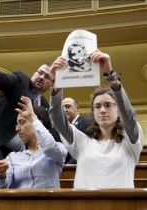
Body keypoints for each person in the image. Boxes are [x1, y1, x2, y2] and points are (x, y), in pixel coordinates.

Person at [0, 41, 57, 188]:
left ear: (52, 85)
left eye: (47, 77)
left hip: (9, 148)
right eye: (40, 72)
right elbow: (2, 80)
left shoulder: (44, 106)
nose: (41, 77)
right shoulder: (21, 81)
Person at [49, 50, 144, 188]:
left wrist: (111, 76)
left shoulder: (130, 140)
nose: (103, 110)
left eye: (108, 105)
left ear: (118, 110)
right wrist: (58, 85)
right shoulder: (82, 142)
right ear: (93, 112)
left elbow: (128, 116)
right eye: (97, 106)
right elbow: (58, 119)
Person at [0, 96, 66, 189]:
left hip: (48, 203)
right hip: (20, 203)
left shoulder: (58, 149)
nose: (17, 128)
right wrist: (1, 175)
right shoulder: (12, 157)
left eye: (22, 122)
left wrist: (32, 117)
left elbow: (50, 147)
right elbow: (1, 188)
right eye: (17, 124)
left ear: (38, 122)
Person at [62, 97, 90, 163]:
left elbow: (82, 150)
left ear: (77, 108)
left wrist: (67, 168)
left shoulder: (85, 123)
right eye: (62, 108)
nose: (65, 110)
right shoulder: (63, 127)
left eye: (68, 106)